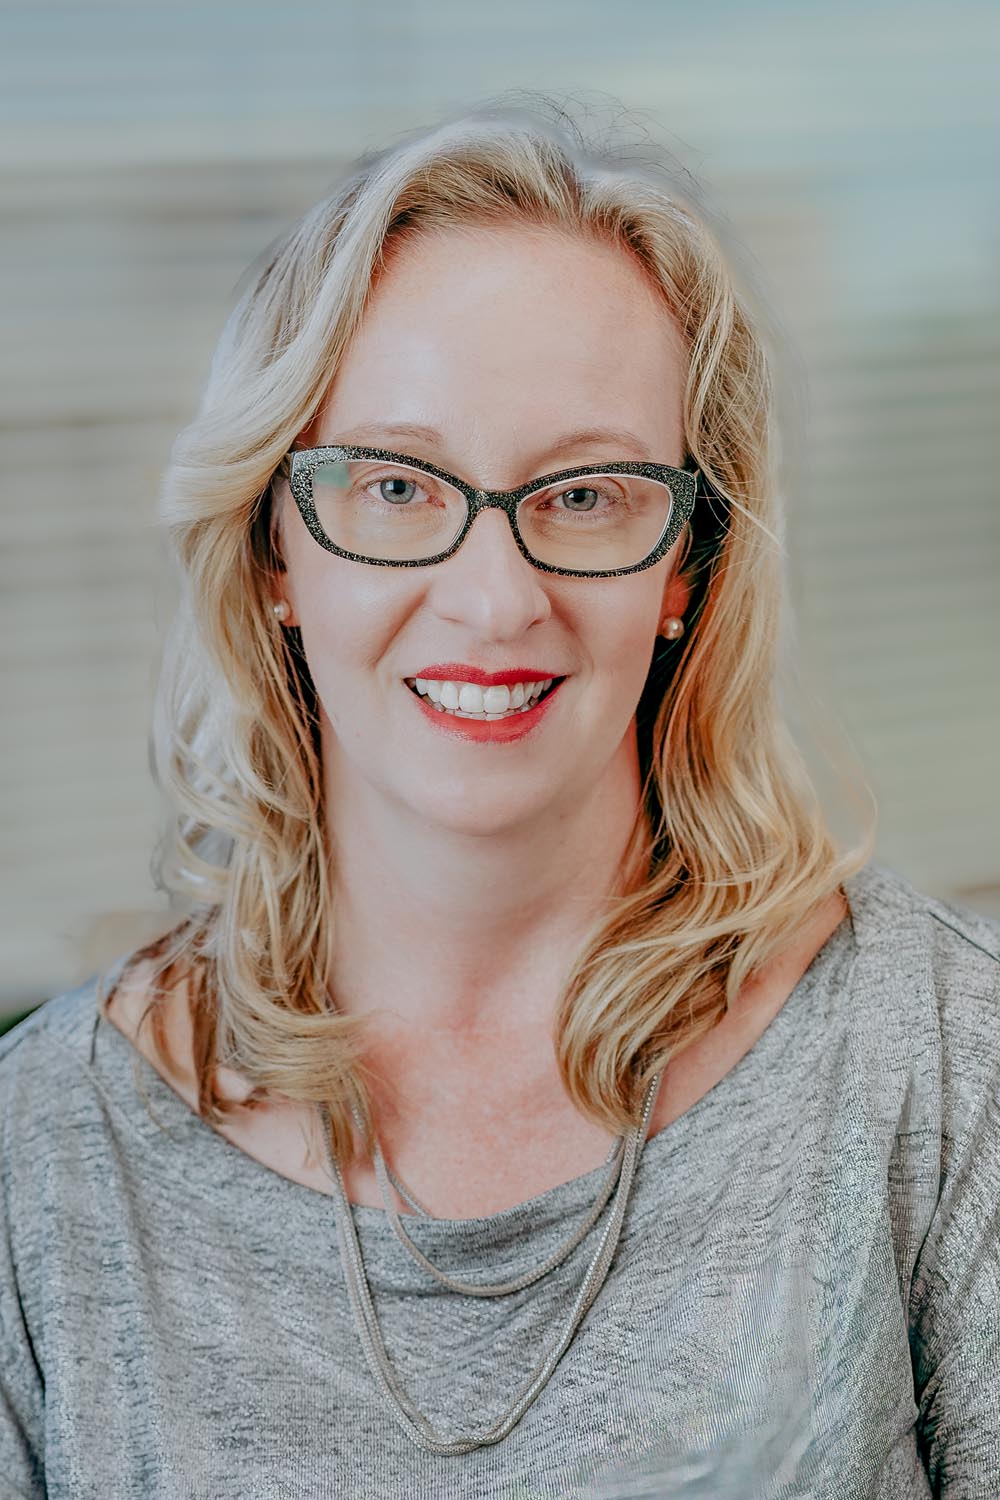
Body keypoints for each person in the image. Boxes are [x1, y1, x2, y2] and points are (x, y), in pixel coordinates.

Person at [1, 95, 997, 1499]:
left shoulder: (943, 1064)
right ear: (275, 551)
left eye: (585, 495)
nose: (493, 597)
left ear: (686, 573)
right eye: (400, 485)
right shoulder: (41, 1161)